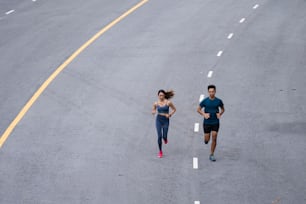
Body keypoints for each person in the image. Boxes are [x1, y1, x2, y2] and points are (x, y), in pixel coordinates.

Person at [197, 85, 225, 162]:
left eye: (213, 91)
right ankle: (206, 139)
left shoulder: (219, 101)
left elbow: (223, 109)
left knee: (214, 137)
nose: (211, 93)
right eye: (210, 92)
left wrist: (220, 114)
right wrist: (204, 114)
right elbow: (198, 109)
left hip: (215, 122)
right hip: (207, 122)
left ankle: (211, 154)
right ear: (208, 92)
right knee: (207, 139)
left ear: (215, 92)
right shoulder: (205, 101)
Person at [152, 90, 176, 158]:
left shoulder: (168, 103)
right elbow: (153, 109)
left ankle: (165, 138)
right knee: (159, 136)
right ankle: (160, 151)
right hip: (158, 120)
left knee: (164, 136)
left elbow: (174, 109)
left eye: (162, 95)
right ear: (158, 96)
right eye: (160, 95)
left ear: (164, 95)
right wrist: (153, 112)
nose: (161, 96)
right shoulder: (156, 103)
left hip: (166, 120)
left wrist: (170, 114)